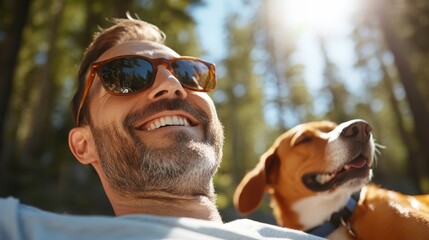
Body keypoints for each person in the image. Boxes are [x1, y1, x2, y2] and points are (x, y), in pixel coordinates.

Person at [0, 15, 323, 240]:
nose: (172, 85)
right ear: (84, 145)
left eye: (186, 73)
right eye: (127, 75)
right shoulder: (26, 230)